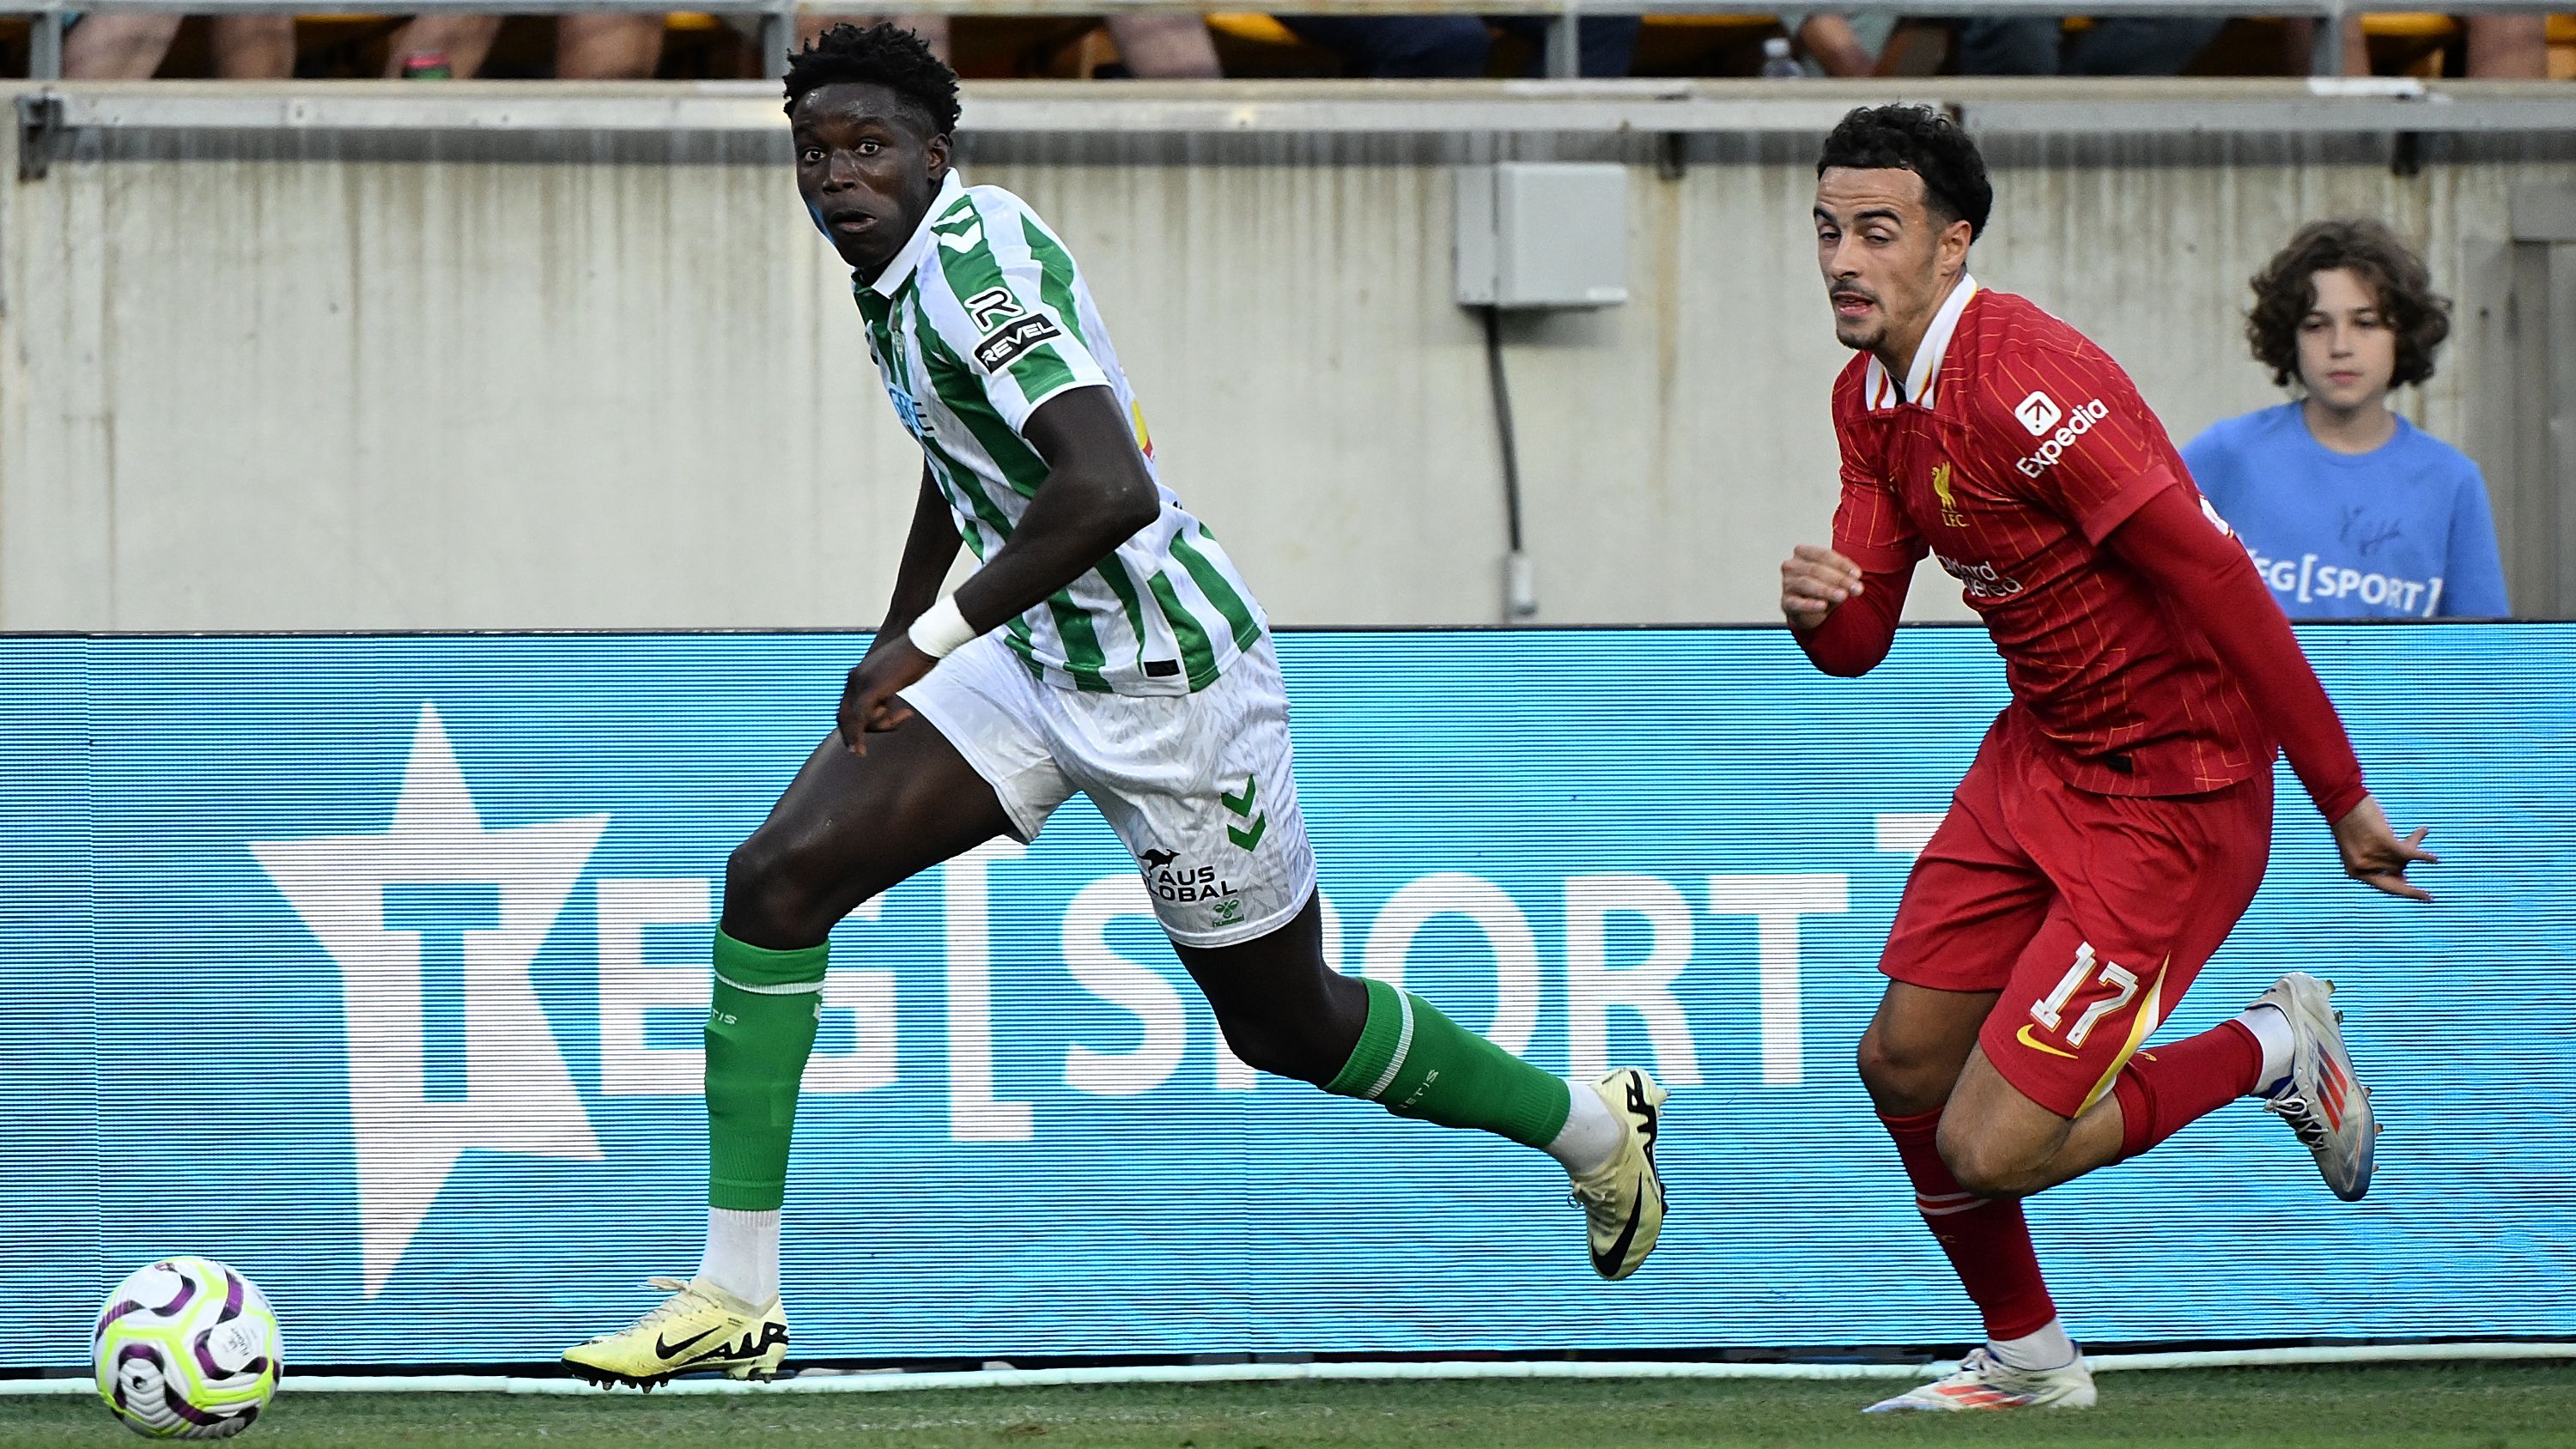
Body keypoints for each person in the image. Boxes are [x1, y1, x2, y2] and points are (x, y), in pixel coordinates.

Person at [561, 21, 1669, 1388]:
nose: (838, 175)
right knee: (776, 879)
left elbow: (1106, 488)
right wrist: (902, 628)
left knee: (1286, 1026)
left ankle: (1591, 1132)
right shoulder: (892, 277)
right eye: (815, 153)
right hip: (1034, 653)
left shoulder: (977, 267)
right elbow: (961, 452)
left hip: (1170, 682)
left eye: (867, 148)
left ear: (934, 156)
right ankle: (738, 1293)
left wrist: (924, 640)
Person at [1783, 104, 2436, 1414]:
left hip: (2171, 798)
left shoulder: (2032, 384)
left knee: (1991, 1143)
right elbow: (1862, 644)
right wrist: (1821, 608)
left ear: (1953, 243)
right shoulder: (1870, 399)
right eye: (1826, 231)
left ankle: (2270, 1049)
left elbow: (2216, 574)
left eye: (1878, 231)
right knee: (1898, 1066)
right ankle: (2030, 1356)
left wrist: (2340, 795)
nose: (1845, 259)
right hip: (2038, 760)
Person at [2182, 220, 2507, 621]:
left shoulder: (2452, 481)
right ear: (2290, 337)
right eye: (2317, 325)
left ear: (2401, 336)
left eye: (2365, 323)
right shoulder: (2226, 455)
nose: (2340, 346)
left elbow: (2482, 655)